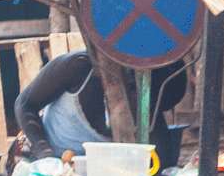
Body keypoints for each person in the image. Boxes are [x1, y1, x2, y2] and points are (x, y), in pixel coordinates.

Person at [14, 50, 188, 168]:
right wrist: (46, 154)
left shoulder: (147, 111)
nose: (138, 104)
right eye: (134, 92)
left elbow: (160, 165)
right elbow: (24, 104)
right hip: (46, 163)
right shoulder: (78, 67)